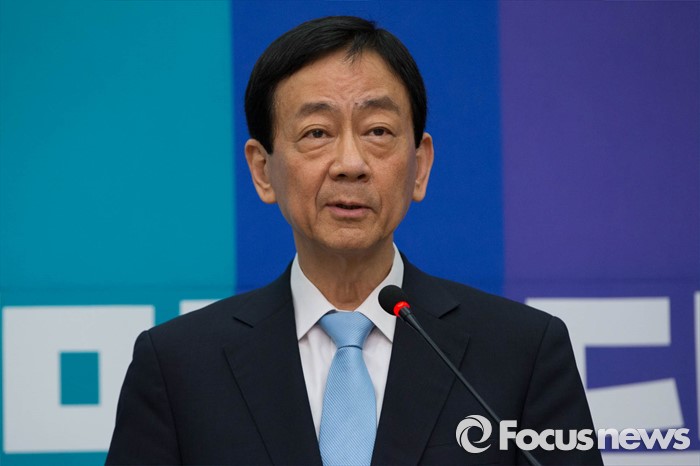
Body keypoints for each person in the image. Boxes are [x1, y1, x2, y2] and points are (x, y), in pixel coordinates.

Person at [106, 15, 602, 465]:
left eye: (378, 131)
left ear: (420, 166)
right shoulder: (179, 366)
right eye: (317, 133)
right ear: (262, 170)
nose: (350, 163)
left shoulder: (521, 352)